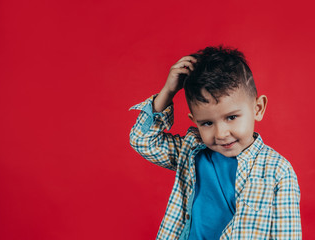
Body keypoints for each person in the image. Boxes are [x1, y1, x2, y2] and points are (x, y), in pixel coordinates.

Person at [129, 45, 301, 239]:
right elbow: (143, 140)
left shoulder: (277, 171)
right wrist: (168, 91)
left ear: (258, 108)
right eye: (207, 123)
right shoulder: (191, 151)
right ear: (194, 121)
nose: (220, 133)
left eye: (232, 117)